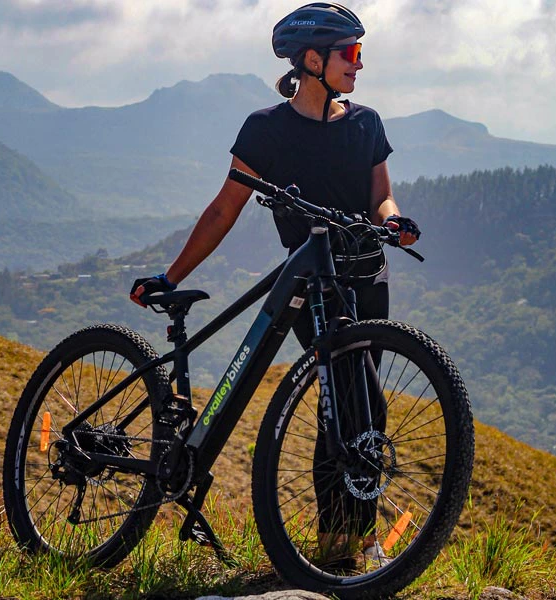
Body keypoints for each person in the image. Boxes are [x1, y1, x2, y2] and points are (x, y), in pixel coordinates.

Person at [130, 2, 420, 567]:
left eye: (360, 52)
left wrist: (393, 220)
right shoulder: (266, 129)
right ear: (312, 60)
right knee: (347, 401)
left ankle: (353, 542)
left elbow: (381, 194)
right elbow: (224, 208)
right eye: (350, 53)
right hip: (313, 280)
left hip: (367, 277)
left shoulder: (366, 122)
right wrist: (171, 276)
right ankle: (342, 547)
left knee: (362, 407)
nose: (359, 64)